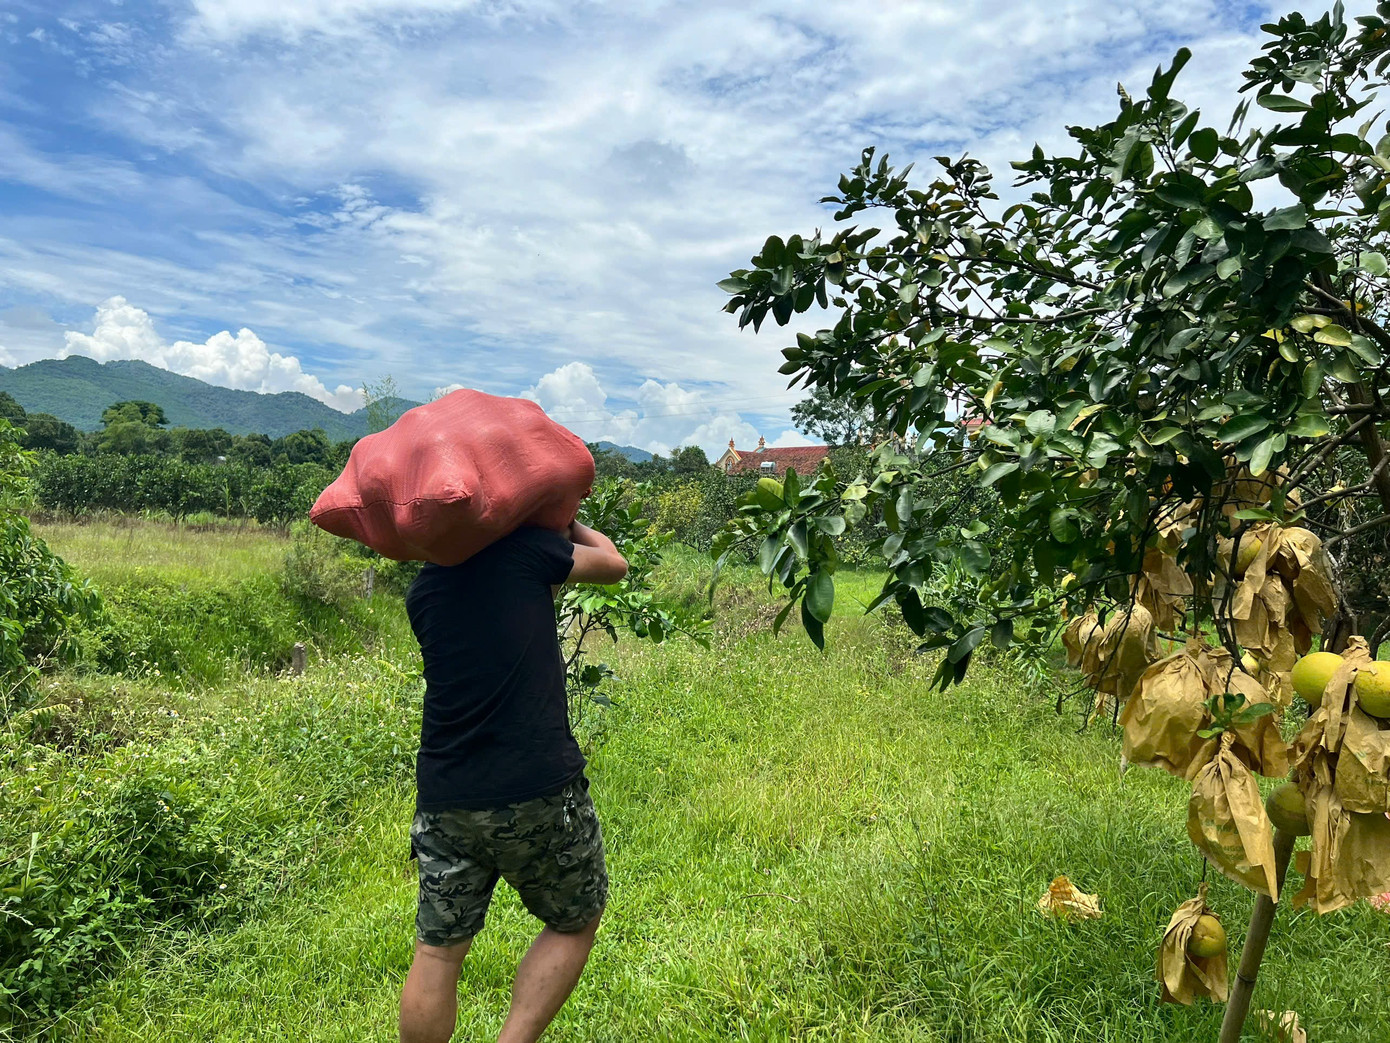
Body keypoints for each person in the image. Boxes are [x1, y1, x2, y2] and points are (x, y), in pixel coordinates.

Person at [399, 520, 628, 1043]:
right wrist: (565, 521)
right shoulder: (528, 550)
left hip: (444, 795)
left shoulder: (425, 587)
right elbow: (613, 564)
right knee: (576, 921)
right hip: (537, 789)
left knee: (437, 950)